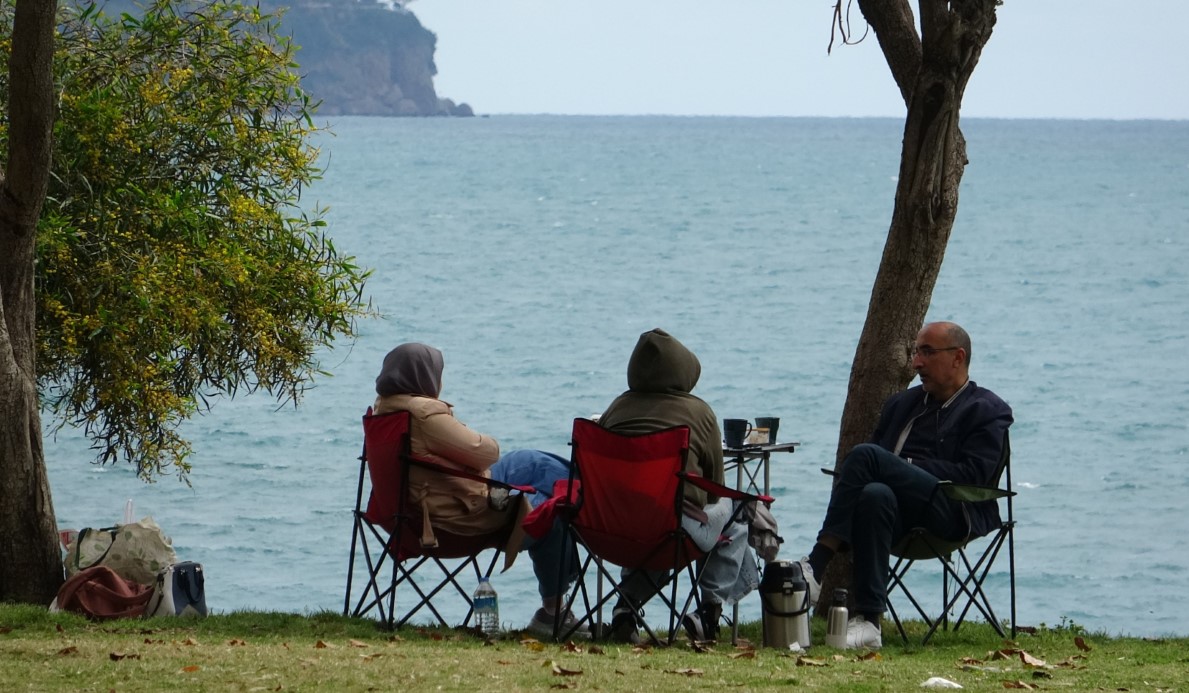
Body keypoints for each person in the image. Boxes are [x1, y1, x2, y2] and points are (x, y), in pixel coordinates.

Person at [798, 321, 1013, 649]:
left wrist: (906, 467)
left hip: (951, 511)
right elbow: (875, 469)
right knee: (874, 494)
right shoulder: (902, 404)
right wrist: (894, 470)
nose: (916, 363)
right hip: (894, 517)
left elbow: (975, 475)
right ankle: (870, 622)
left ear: (958, 357)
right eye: (915, 353)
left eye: (927, 352)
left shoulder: (986, 410)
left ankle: (816, 566)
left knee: (866, 456)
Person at [372, 342, 587, 638]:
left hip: (411, 513)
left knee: (528, 461)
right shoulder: (423, 413)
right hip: (456, 519)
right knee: (554, 510)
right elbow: (487, 453)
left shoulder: (383, 410)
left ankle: (585, 489)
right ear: (425, 376)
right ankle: (554, 613)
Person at [595, 328, 760, 643]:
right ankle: (709, 612)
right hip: (671, 531)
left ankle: (626, 607)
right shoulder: (699, 412)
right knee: (734, 512)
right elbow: (715, 489)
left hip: (609, 528)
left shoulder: (615, 409)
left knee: (657, 518)